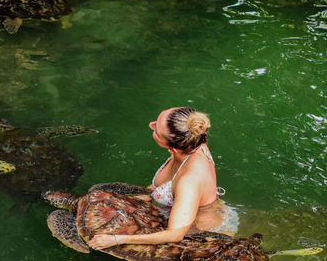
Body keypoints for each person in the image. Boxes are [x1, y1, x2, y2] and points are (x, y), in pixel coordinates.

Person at [88, 107, 238, 251]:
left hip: (204, 235)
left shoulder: (189, 181)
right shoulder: (193, 139)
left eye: (156, 130)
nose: (150, 125)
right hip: (187, 214)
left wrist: (117, 239)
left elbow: (175, 234)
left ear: (174, 149)